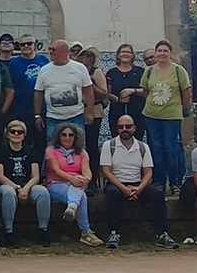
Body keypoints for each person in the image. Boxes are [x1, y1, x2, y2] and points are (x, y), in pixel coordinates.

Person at [100, 115, 177, 249]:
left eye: (128, 126)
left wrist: (139, 189)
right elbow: (106, 172)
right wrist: (123, 188)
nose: (124, 129)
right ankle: (114, 232)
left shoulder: (143, 147)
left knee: (158, 194)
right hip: (116, 183)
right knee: (112, 194)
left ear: (134, 128)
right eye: (121, 127)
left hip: (137, 183)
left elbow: (148, 173)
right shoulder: (109, 145)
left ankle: (161, 233)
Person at [138, 40, 192, 194]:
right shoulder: (149, 71)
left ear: (170, 53)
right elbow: (145, 91)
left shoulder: (178, 70)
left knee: (170, 148)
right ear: (156, 53)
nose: (162, 54)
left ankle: (175, 182)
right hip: (152, 115)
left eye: (165, 51)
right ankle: (159, 181)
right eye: (159, 51)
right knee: (156, 148)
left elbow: (187, 92)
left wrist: (179, 109)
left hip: (172, 116)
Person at [45, 122, 104, 246]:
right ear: (58, 136)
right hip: (56, 183)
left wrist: (86, 179)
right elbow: (55, 169)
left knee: (79, 188)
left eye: (71, 135)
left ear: (76, 137)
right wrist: (72, 178)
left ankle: (72, 208)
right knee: (81, 196)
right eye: (64, 135)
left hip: (77, 184)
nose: (67, 138)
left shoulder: (82, 152)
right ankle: (86, 232)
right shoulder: (50, 150)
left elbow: (87, 172)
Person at [0, 119, 49, 247]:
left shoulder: (30, 151)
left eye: (20, 132)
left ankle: (43, 230)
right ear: (8, 134)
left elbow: (36, 176)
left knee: (43, 192)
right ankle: (8, 231)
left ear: (24, 135)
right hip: (6, 185)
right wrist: (18, 188)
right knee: (8, 192)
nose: (16, 134)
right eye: (13, 131)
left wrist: (26, 188)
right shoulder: (1, 151)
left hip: (27, 185)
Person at [34, 40, 94, 141]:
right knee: (53, 149)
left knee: (78, 147)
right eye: (50, 49)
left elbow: (88, 90)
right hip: (53, 118)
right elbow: (38, 93)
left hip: (76, 116)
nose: (51, 52)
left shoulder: (79, 68)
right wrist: (37, 115)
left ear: (64, 51)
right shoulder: (44, 70)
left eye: (54, 50)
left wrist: (89, 112)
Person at [8, 34, 50, 152]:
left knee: (41, 144)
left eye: (29, 43)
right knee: (23, 144)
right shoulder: (14, 63)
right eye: (22, 44)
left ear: (35, 45)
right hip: (22, 111)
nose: (26, 46)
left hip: (43, 111)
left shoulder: (44, 60)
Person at [77, 46, 108, 193]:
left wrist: (90, 84)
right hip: (77, 111)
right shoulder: (76, 70)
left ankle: (93, 178)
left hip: (94, 111)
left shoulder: (96, 72)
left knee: (92, 145)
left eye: (87, 56)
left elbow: (103, 93)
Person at [106, 44, 146, 139]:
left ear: (132, 55)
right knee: (117, 139)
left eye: (128, 52)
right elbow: (108, 93)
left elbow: (146, 91)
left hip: (137, 111)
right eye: (123, 52)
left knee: (137, 138)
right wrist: (118, 99)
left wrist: (132, 91)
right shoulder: (112, 73)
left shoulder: (140, 71)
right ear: (118, 55)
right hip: (117, 111)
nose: (125, 54)